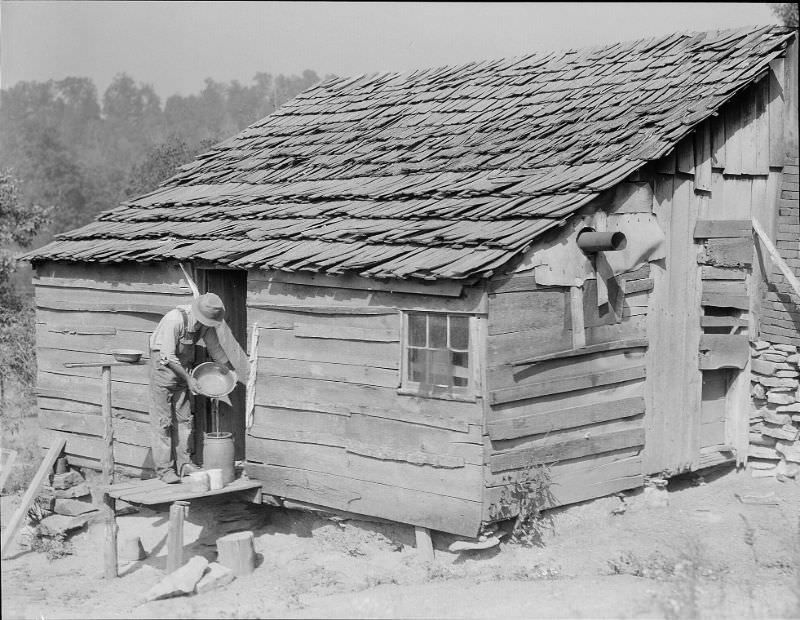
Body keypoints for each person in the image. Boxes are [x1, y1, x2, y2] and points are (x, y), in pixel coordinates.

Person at [148, 292, 232, 484]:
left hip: (183, 373)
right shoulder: (174, 320)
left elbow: (215, 348)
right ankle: (165, 470)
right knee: (163, 421)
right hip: (164, 371)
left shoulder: (204, 325)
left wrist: (229, 371)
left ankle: (184, 464)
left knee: (185, 420)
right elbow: (167, 356)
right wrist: (188, 378)